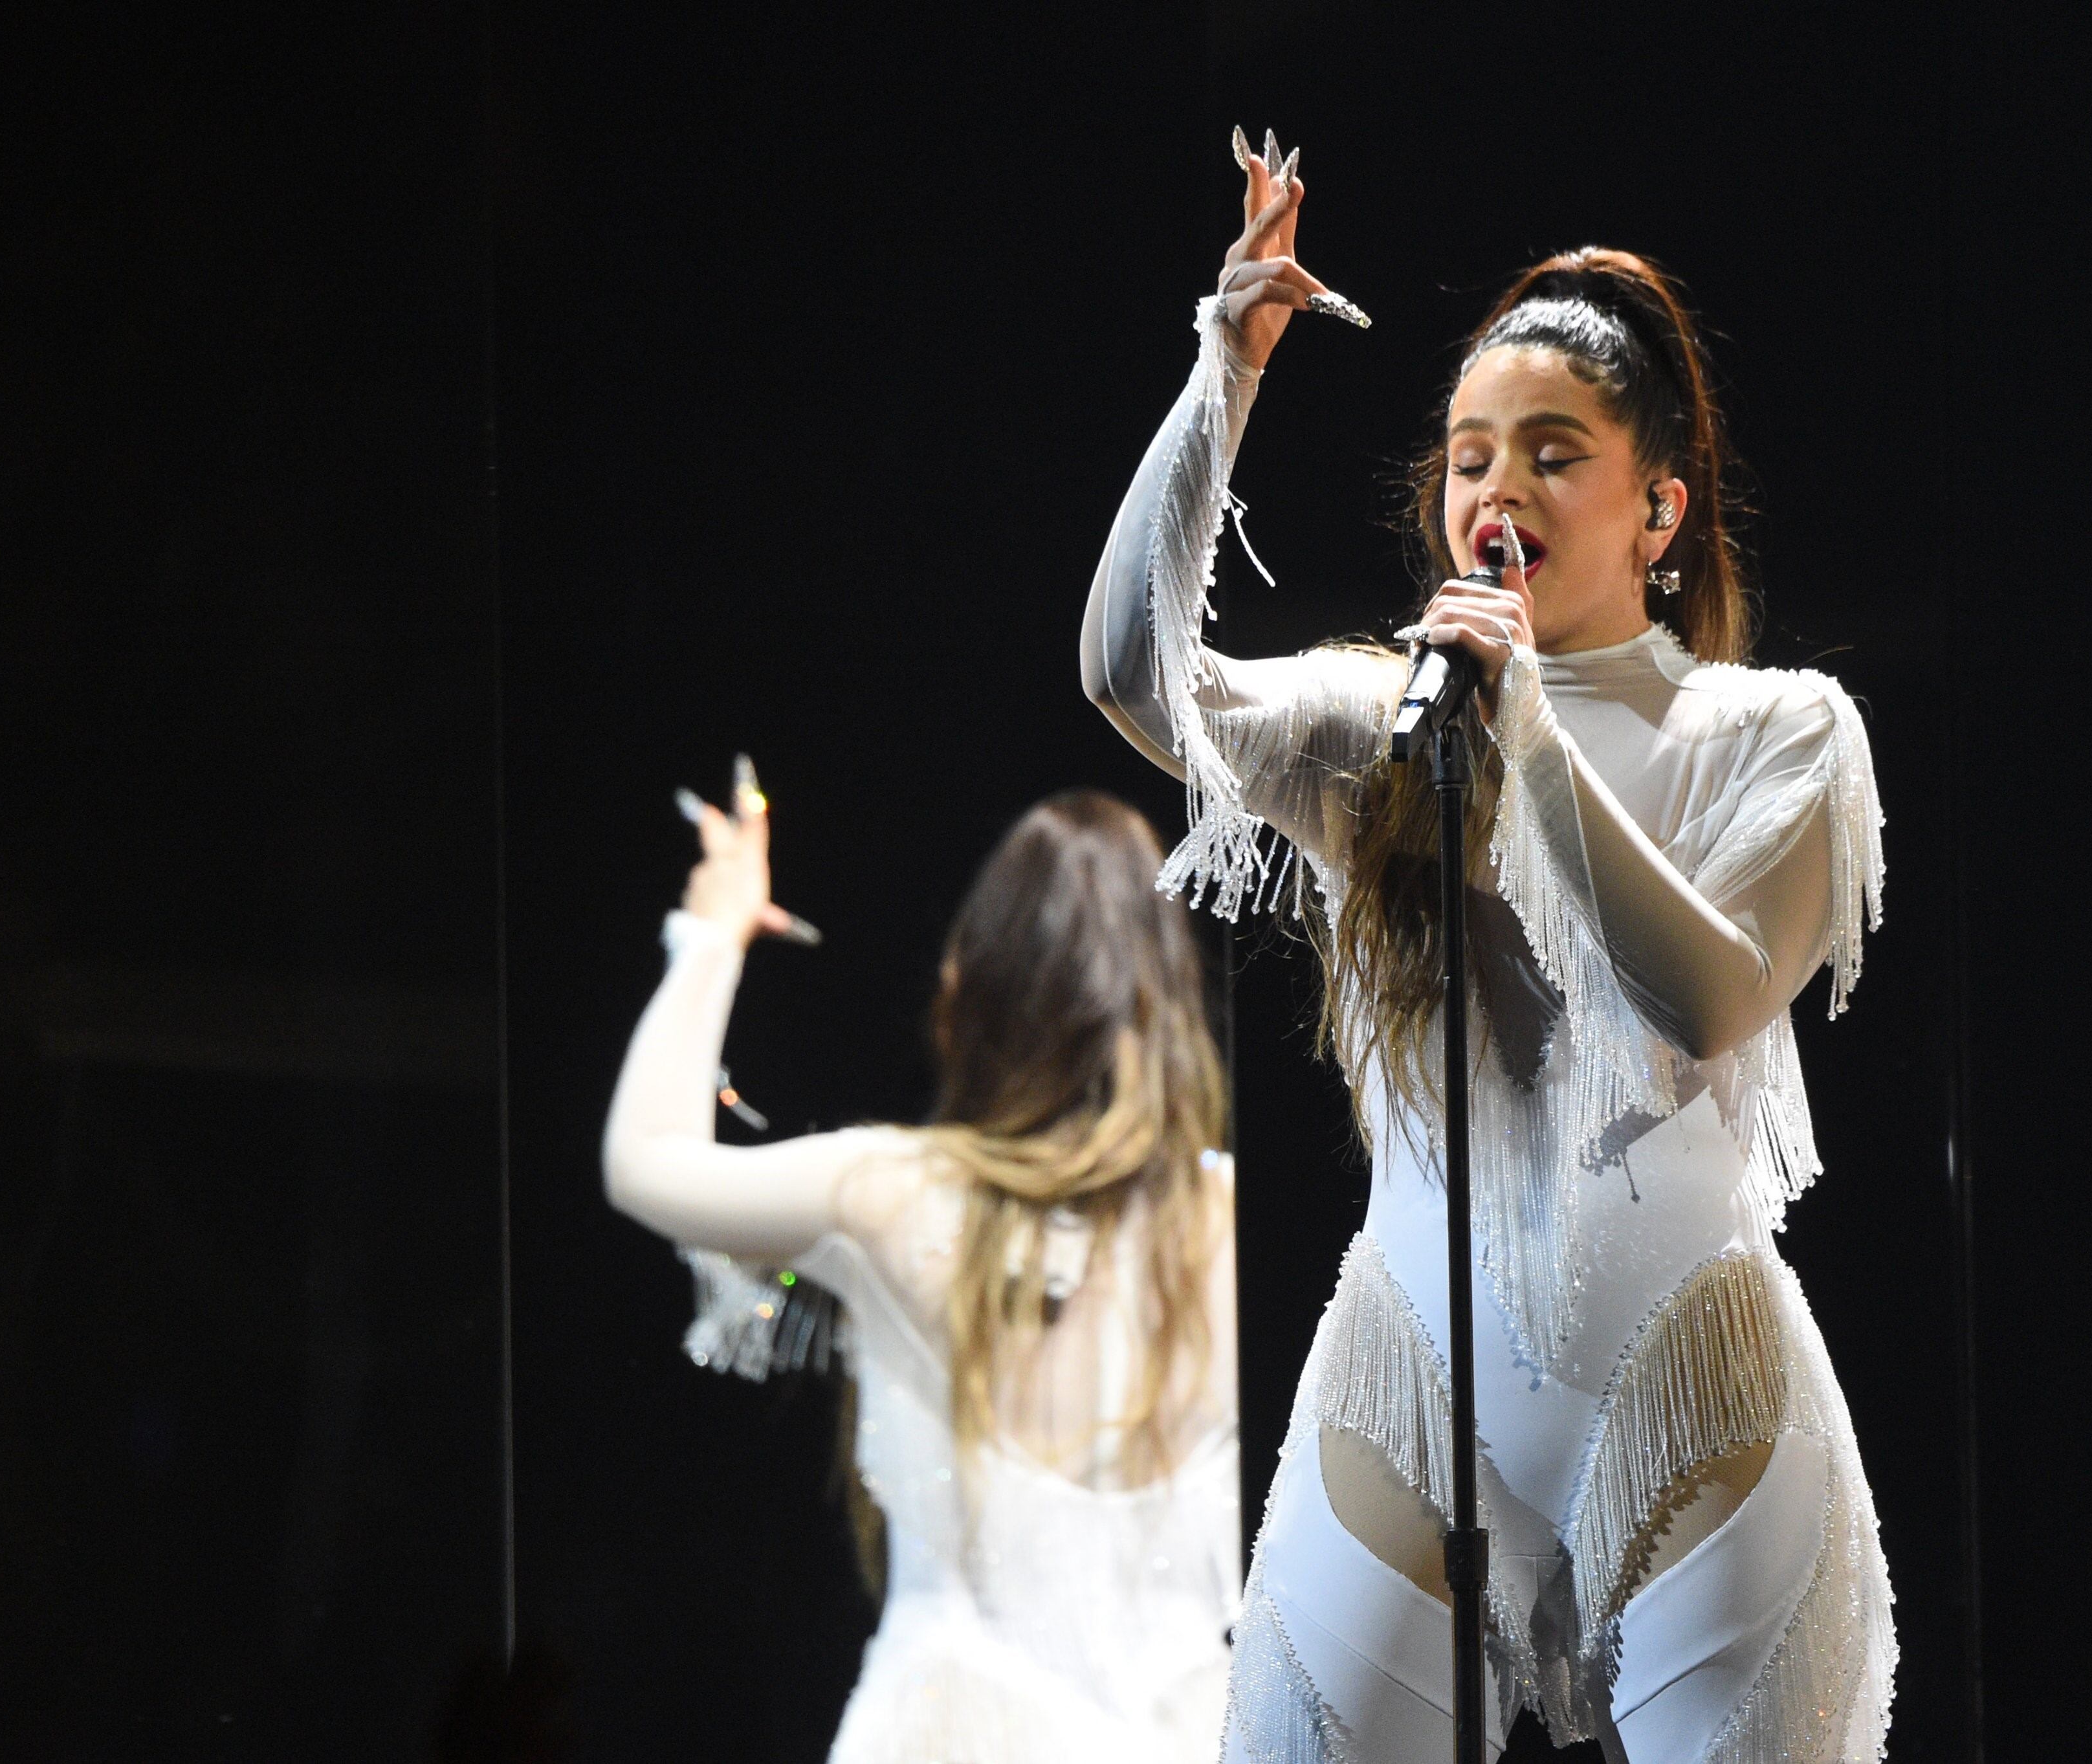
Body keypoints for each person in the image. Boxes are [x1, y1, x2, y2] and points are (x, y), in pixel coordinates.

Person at [1080, 132, 1893, 1762]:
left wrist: (1525, 727)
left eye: (1548, 453)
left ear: (1658, 507)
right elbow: (1132, 674)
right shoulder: (1386, 723)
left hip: (1692, 1384)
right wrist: (1219, 377)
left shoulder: (1777, 733)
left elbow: (1709, 997)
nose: (1492, 492)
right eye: (1465, 458)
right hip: (1410, 1376)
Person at [603, 783, 1241, 1764]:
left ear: (972, 990)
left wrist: (712, 929)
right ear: (1164, 1003)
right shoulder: (1230, 1223)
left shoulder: (902, 1194)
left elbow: (644, 1156)